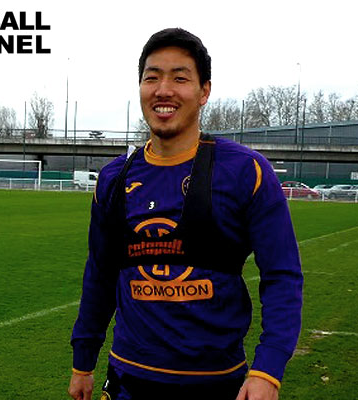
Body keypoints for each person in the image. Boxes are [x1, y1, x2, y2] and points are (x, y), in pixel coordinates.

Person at [69, 28, 303, 400]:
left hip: (216, 383)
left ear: (204, 91)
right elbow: (100, 273)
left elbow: (282, 275)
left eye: (180, 78)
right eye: (152, 78)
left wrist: (268, 371)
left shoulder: (246, 171)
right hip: (128, 379)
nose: (163, 90)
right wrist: (83, 362)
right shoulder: (114, 179)